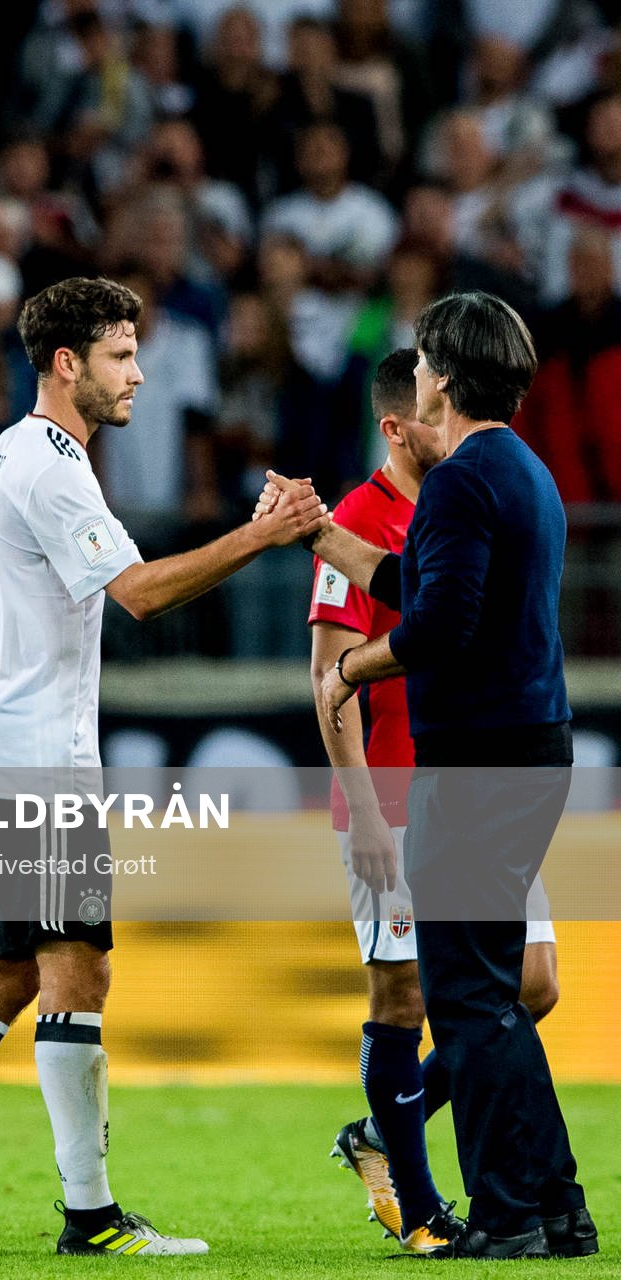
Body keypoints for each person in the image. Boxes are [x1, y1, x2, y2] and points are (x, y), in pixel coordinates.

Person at [0, 276, 327, 1256]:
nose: (139, 373)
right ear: (67, 363)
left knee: (7, 971)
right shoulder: (53, 465)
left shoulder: (6, 459)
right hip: (33, 757)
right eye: (120, 354)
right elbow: (140, 594)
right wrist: (262, 533)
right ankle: (92, 1215)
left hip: (3, 736)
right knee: (80, 966)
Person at [277, 293, 598, 1260]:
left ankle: (506, 1216)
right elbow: (426, 584)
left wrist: (353, 668)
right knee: (498, 997)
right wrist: (324, 537)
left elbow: (437, 628)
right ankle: (556, 1208)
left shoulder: (460, 480)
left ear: (446, 377)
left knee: (466, 1002)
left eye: (422, 361)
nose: (414, 373)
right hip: (530, 751)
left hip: (479, 764)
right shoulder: (520, 470)